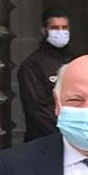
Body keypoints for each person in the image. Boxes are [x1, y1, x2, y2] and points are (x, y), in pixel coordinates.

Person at [15, 8, 73, 142]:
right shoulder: (32, 65)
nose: (60, 32)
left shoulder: (75, 61)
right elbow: (36, 109)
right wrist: (64, 133)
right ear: (44, 30)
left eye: (64, 27)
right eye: (55, 28)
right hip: (44, 139)